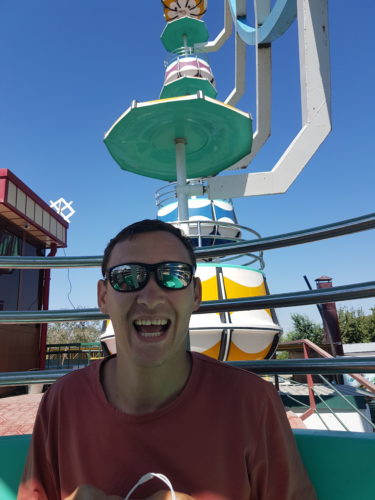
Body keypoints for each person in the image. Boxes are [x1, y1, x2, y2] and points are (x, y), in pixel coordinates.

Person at [18, 219, 316, 500]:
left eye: (173, 275)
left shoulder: (252, 402)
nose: (150, 298)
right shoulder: (63, 401)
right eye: (127, 277)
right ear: (103, 297)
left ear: (196, 294)